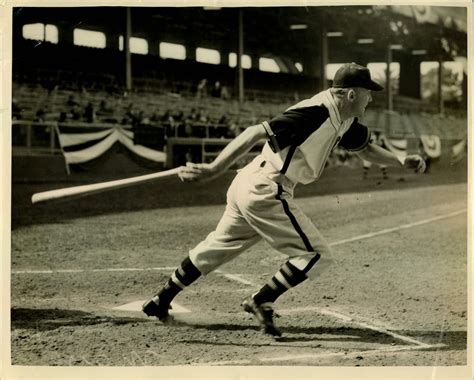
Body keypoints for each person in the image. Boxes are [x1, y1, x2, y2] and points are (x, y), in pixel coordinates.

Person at [142, 63, 426, 337]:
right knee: (316, 255)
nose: (371, 98)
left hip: (250, 182)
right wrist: (214, 168)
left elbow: (366, 149)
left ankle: (161, 299)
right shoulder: (316, 111)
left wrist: (400, 159)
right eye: (368, 92)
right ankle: (261, 300)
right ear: (351, 94)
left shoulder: (345, 117)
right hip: (267, 188)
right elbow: (254, 132)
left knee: (217, 245)